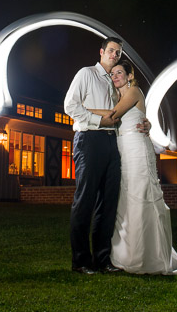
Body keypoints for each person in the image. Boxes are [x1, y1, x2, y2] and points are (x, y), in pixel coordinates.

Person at [91, 60, 177, 275]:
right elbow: (128, 117)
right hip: (122, 152)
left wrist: (81, 110)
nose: (115, 76)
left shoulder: (134, 91)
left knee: (141, 196)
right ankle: (124, 254)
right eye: (112, 74)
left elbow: (113, 115)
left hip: (136, 150)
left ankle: (146, 256)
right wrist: (148, 123)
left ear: (130, 76)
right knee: (125, 201)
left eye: (120, 73)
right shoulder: (116, 97)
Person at [63, 37, 125, 274]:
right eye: (111, 50)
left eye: (118, 53)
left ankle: (102, 260)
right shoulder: (86, 74)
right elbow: (70, 105)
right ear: (101, 51)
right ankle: (80, 261)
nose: (114, 55)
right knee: (85, 201)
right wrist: (98, 120)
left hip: (112, 143)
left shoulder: (114, 83)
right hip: (89, 140)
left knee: (107, 204)